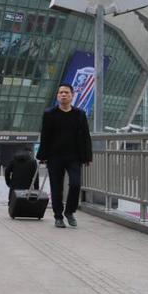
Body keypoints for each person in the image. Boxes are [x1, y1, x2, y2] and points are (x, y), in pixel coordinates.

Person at [37, 83, 93, 228]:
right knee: (56, 188)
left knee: (75, 184)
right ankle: (58, 216)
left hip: (74, 156)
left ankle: (69, 211)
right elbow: (45, 136)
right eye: (61, 92)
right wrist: (42, 155)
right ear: (57, 96)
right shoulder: (49, 114)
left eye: (66, 92)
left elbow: (86, 136)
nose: (63, 95)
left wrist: (87, 157)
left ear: (72, 95)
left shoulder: (79, 114)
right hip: (54, 157)